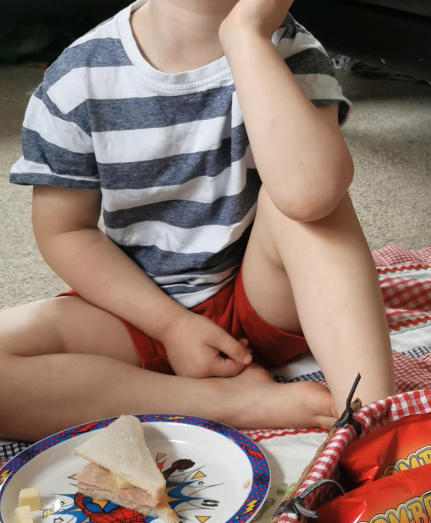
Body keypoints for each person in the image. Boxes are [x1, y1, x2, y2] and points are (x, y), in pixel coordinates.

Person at [2, 0, 396, 442]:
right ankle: (230, 403)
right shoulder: (77, 77)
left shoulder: (289, 51)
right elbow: (64, 231)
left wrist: (244, 33)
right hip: (138, 305)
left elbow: (311, 193)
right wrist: (170, 325)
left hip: (260, 294)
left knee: (316, 209)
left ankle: (374, 420)